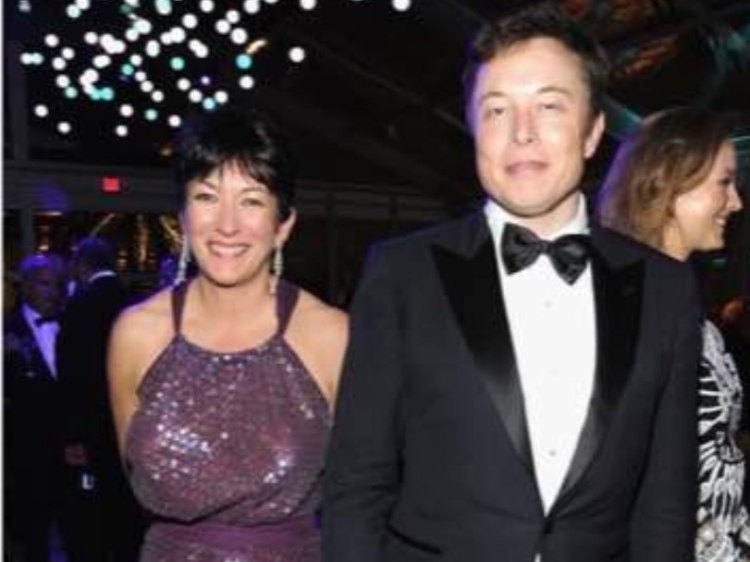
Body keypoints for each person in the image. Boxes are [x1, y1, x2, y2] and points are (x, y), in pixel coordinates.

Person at [322, 4, 702, 561]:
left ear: (593, 131)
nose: (522, 133)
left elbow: (666, 503)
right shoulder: (401, 275)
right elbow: (356, 486)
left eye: (549, 106)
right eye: (497, 110)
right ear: (474, 131)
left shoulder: (666, 290)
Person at [107, 105, 348, 562]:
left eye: (251, 200)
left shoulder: (331, 336)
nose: (227, 224)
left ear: (283, 224)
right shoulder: (136, 334)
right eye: (207, 196)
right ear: (183, 215)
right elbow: (127, 474)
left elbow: (364, 493)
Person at [596, 105, 749, 561]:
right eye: (724, 182)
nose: (737, 202)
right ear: (669, 181)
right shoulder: (621, 307)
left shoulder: (689, 311)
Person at [56, 236, 143, 562]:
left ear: (81, 266)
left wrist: (73, 435)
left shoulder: (79, 306)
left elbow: (72, 376)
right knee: (129, 507)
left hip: (94, 425)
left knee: (94, 507)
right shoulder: (135, 301)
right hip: (133, 423)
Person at [4, 253, 68, 562]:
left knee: (77, 528)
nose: (53, 292)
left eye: (57, 284)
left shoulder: (71, 324)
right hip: (25, 451)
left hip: (69, 449)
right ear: (27, 287)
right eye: (45, 284)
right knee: (32, 532)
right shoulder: (7, 330)